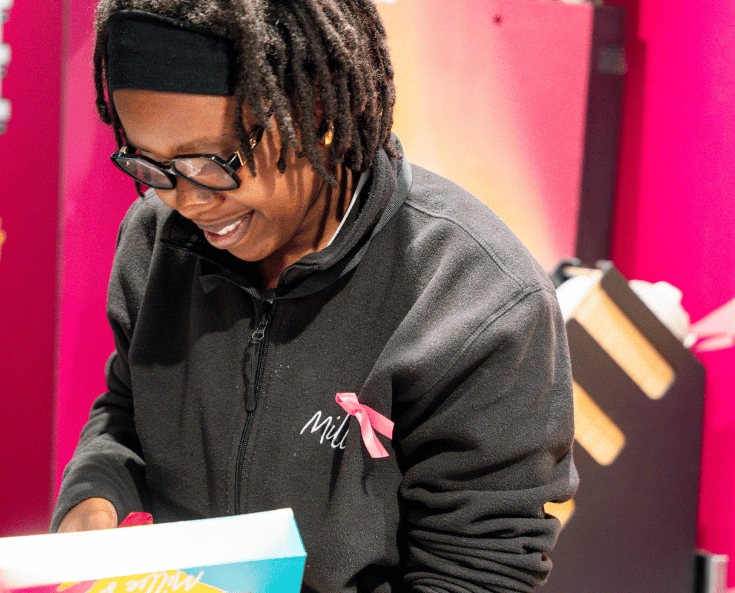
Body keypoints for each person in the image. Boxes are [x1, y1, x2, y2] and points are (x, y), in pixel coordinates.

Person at [52, 1, 578, 592]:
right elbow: (129, 412)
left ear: (313, 111)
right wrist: (95, 493)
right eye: (152, 164)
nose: (187, 201)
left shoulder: (477, 299)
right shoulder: (157, 242)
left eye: (211, 163)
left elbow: (478, 571)